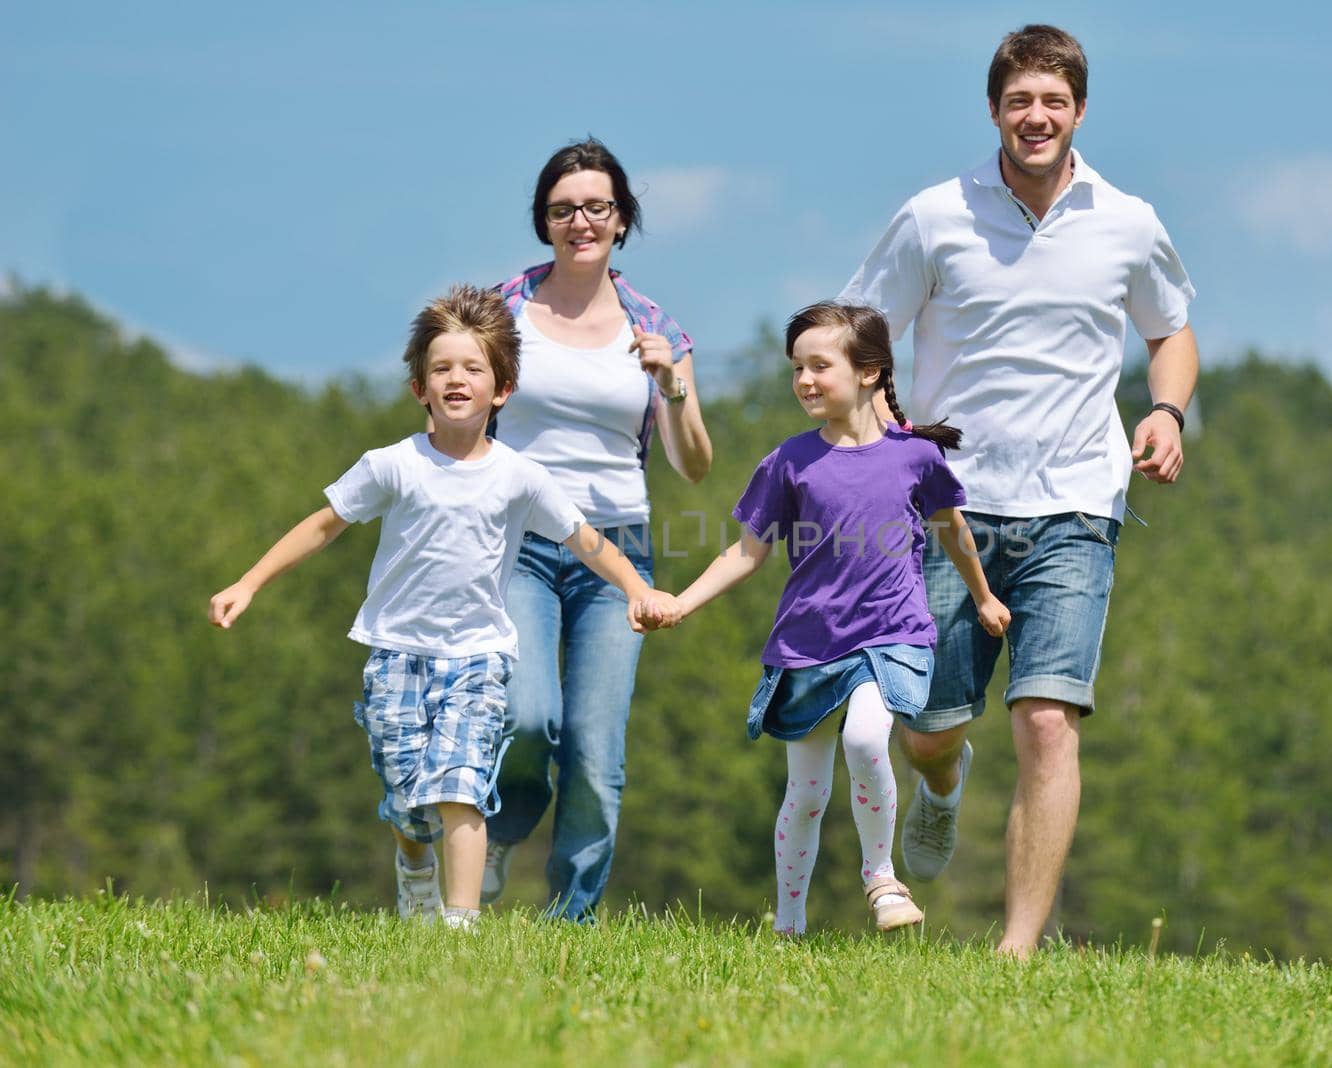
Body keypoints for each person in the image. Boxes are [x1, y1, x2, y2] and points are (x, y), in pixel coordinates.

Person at [839, 24, 1199, 956]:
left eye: (1053, 101)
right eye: (1019, 102)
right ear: (994, 110)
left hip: (1078, 505)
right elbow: (860, 341)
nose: (1036, 117)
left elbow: (1172, 331)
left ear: (1080, 110)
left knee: (1047, 720)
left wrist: (1165, 411)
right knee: (928, 724)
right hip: (951, 511)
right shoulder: (934, 217)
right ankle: (943, 783)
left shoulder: (1128, 221)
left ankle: (1016, 952)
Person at [207, 285, 666, 928]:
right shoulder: (392, 465)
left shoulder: (520, 476)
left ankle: (461, 924)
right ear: (419, 388)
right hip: (397, 652)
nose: (457, 379)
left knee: (461, 789)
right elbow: (323, 525)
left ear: (501, 390)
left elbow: (585, 539)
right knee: (407, 799)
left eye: (473, 368)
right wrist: (249, 582)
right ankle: (413, 866)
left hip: (478, 656)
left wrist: (638, 590)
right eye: (441, 369)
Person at [640, 301, 1009, 935]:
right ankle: (789, 924)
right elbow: (745, 553)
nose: (805, 380)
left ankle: (880, 878)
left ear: (869, 372)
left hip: (892, 634)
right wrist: (680, 600)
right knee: (806, 795)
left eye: (820, 365)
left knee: (867, 738)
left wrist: (982, 597)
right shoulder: (790, 460)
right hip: (808, 644)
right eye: (797, 368)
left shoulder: (915, 458)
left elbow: (955, 533)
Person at [483, 139, 713, 919]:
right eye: (562, 209)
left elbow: (694, 466)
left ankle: (569, 921)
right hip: (516, 540)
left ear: (622, 220)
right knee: (526, 716)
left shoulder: (655, 326)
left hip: (617, 549)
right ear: (543, 222)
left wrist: (673, 388)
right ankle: (498, 830)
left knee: (593, 746)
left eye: (596, 207)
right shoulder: (501, 309)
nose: (580, 221)